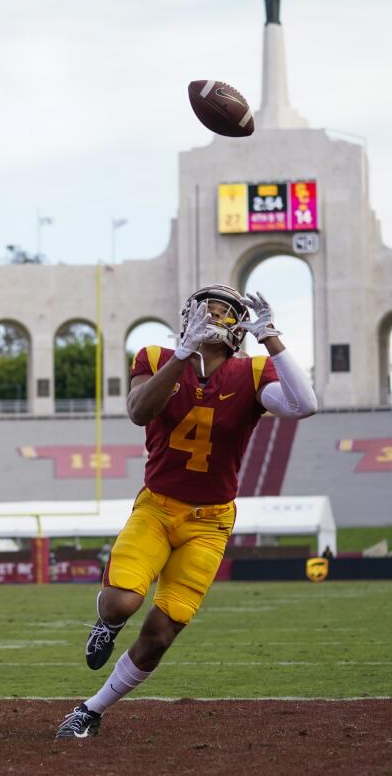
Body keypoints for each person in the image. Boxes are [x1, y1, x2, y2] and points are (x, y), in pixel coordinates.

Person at [57, 286, 318, 738]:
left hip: (211, 520)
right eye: (206, 309)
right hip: (157, 507)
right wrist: (182, 354)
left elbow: (305, 405)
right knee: (123, 601)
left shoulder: (253, 372)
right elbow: (139, 412)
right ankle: (107, 623)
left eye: (223, 312)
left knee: (161, 633)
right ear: (186, 317)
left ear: (238, 329)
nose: (213, 316)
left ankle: (91, 710)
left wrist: (272, 337)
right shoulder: (155, 357)